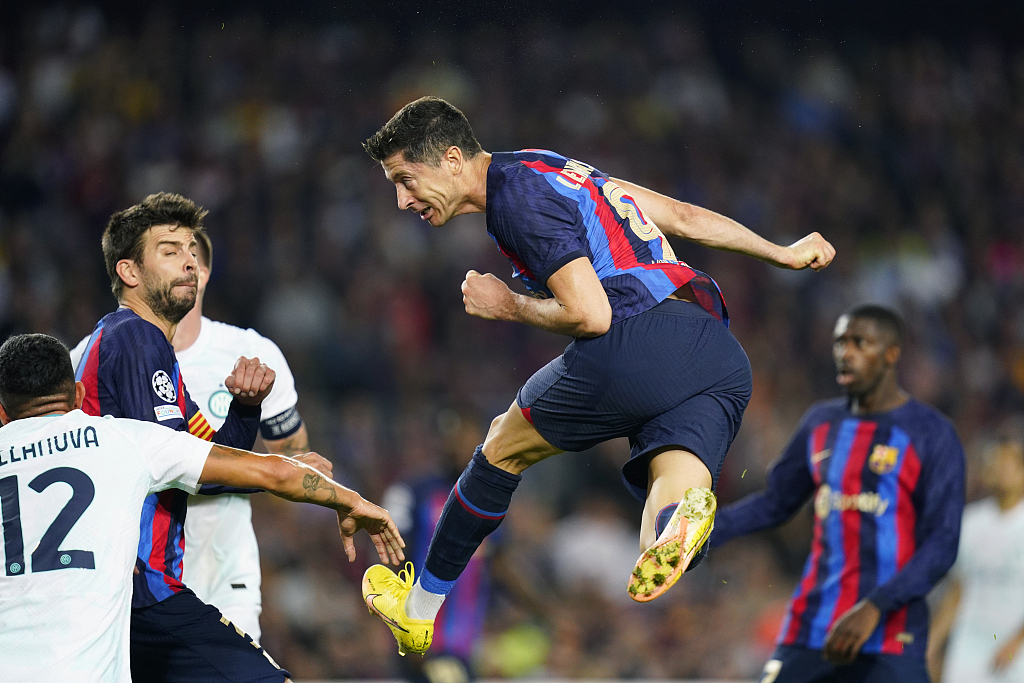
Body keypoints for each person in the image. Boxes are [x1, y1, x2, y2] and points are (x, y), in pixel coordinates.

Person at [358, 96, 836, 656]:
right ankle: (677, 523)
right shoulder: (546, 165)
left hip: (635, 339)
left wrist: (507, 304)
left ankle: (417, 613)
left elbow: (592, 314)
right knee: (672, 493)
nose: (401, 199)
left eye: (406, 180)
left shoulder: (514, 198)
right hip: (715, 354)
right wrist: (780, 252)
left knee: (498, 451)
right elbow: (682, 214)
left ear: (453, 159)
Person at [0, 333, 404, 683]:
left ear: (2, 413)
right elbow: (271, 473)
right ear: (79, 397)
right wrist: (352, 501)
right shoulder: (123, 441)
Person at [73, 192, 319, 682]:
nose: (188, 260)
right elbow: (188, 470)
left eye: (191, 249)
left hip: (175, 579)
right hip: (143, 587)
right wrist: (285, 475)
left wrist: (247, 408)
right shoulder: (133, 339)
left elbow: (207, 455)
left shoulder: (156, 350)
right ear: (129, 272)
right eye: (170, 250)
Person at [710, 305, 966, 683]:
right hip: (812, 627)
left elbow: (942, 545)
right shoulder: (821, 423)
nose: (845, 352)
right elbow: (775, 503)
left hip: (891, 633)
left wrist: (876, 607)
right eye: (840, 342)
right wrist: (702, 530)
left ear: (891, 353)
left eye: (859, 343)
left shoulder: (932, 434)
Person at [927, 428, 1024, 683]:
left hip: (1016, 645)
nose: (1001, 469)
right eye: (996, 462)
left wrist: (1016, 642)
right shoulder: (971, 521)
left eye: (1009, 462)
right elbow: (960, 587)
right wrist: (934, 641)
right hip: (971, 642)